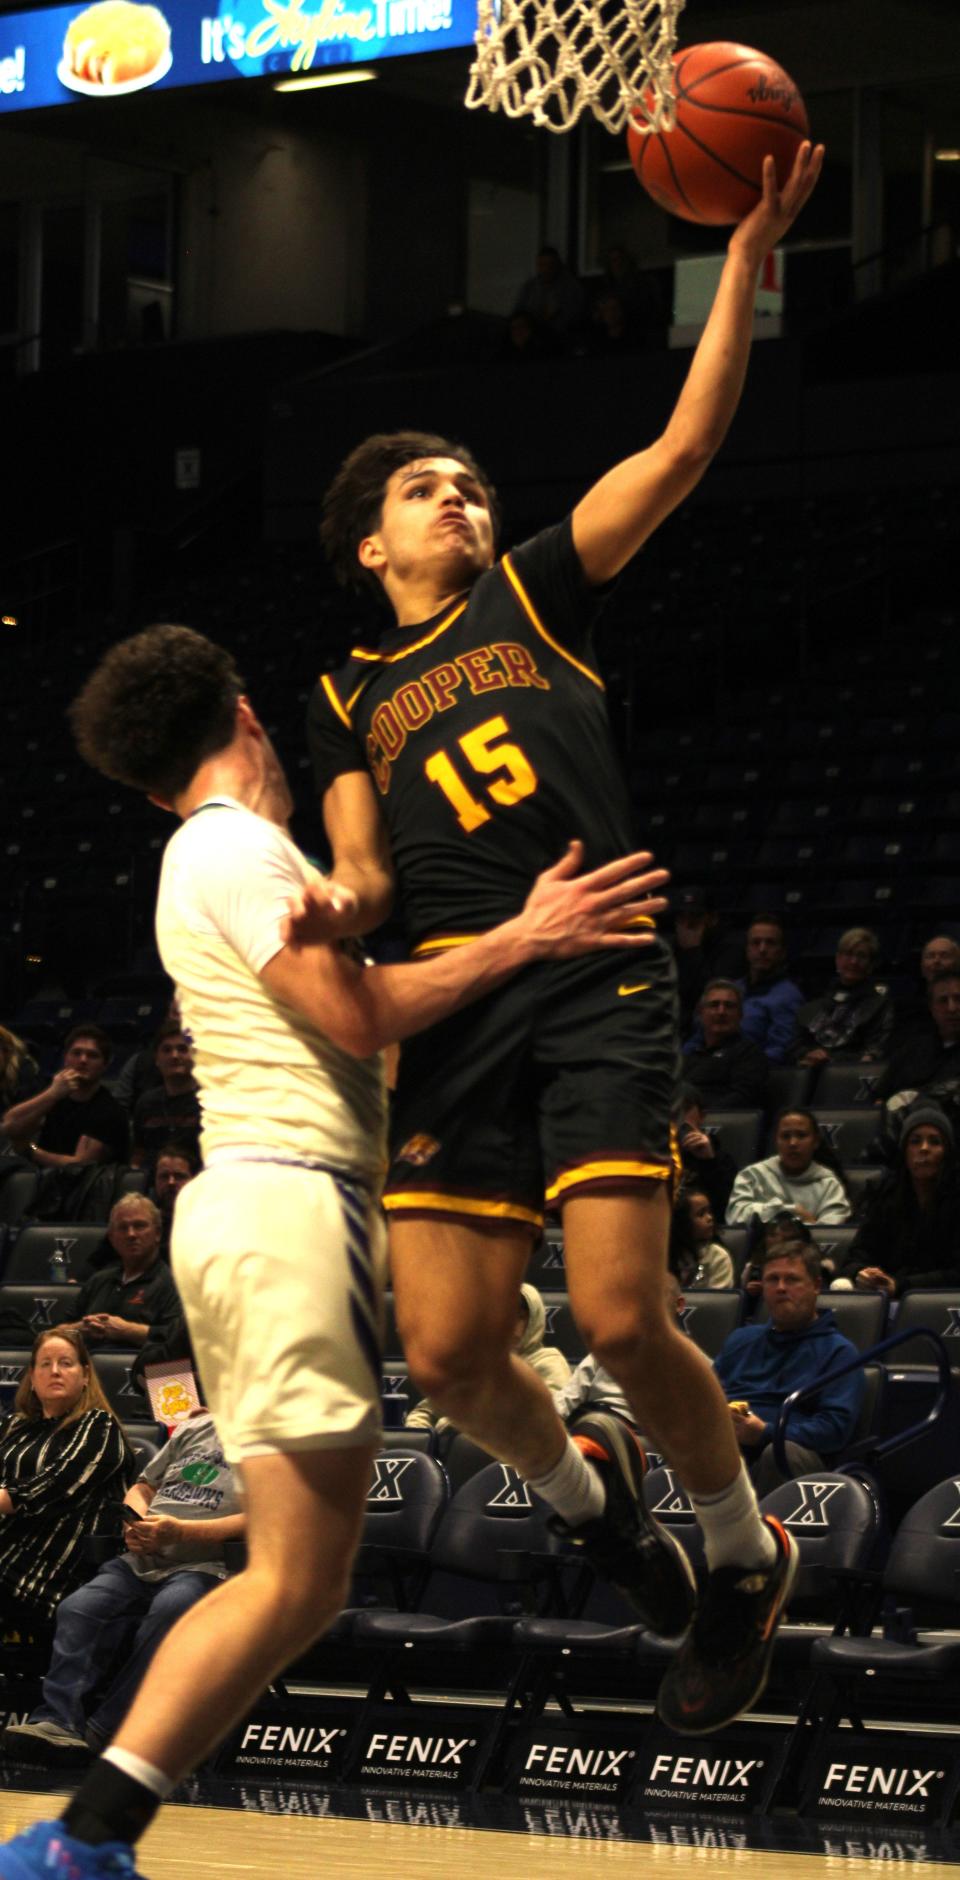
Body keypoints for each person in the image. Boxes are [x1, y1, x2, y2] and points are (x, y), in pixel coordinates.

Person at [0, 619, 671, 1878]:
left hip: (275, 1216)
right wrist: (527, 936)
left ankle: (589, 1490)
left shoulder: (204, 852)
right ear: (249, 719)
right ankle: (76, 1844)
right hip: (286, 1212)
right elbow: (357, 1018)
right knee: (295, 1579)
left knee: (447, 1377)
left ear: (147, 776)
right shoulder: (237, 846)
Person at [309, 143, 821, 1742]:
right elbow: (365, 872)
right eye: (423, 488)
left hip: (594, 967)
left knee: (613, 1314)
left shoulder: (537, 593)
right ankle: (599, 1510)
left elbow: (683, 440)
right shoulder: (349, 695)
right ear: (373, 549)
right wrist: (330, 907)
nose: (461, 496)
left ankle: (741, 1553)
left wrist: (742, 254)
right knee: (448, 1351)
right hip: (466, 1010)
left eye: (469, 480)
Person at [3, 1406, 243, 1764]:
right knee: (80, 1607)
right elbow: (143, 1487)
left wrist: (181, 1532)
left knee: (172, 1609)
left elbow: (268, 1516)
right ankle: (58, 1721)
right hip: (141, 1559)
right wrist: (134, 1522)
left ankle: (108, 1729)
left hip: (207, 1565)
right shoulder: (198, 1426)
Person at [0, 1329, 128, 1628]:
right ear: (31, 1377)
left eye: (66, 1363)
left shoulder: (99, 1425)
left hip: (51, 1567)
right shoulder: (16, 1425)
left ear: (85, 1375)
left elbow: (50, 1489)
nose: (55, 1371)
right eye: (45, 1364)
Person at [714, 1243, 863, 1494]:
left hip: (793, 1455)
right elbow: (705, 1397)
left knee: (780, 1451)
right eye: (772, 1279)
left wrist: (765, 1433)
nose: (781, 1288)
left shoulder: (839, 1352)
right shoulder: (740, 1340)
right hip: (730, 1445)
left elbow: (834, 1430)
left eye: (792, 1279)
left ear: (816, 1286)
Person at [406, 1282, 569, 1432]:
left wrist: (461, 1426)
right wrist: (421, 1436)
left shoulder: (549, 1362)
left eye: (520, 1317)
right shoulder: (474, 1364)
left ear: (534, 1320)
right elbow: (426, 1411)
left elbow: (549, 1420)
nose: (512, 1326)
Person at [833, 1105, 960, 1297]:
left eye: (935, 1142)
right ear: (904, 1151)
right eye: (915, 1141)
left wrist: (900, 1285)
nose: (924, 1149)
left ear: (947, 1152)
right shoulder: (885, 1195)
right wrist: (862, 1273)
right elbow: (856, 1256)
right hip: (887, 1300)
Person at [553, 1273, 687, 1434]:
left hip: (639, 1436)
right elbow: (565, 1402)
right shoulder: (609, 1348)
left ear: (679, 1305)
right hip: (590, 1422)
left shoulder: (692, 1364)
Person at [64, 1196, 182, 1350]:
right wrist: (81, 1328)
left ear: (158, 1233)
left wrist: (128, 1331)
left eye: (139, 1226)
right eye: (123, 1227)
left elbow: (181, 1347)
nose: (131, 1234)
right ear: (112, 1238)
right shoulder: (98, 1280)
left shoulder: (176, 1285)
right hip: (89, 1370)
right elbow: (54, 1334)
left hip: (145, 1371)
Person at [1, 1027, 128, 1170]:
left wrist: (30, 1151)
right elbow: (8, 1126)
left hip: (85, 1188)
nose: (83, 1060)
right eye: (76, 1053)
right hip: (43, 1181)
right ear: (65, 1058)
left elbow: (80, 1166)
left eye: (92, 1055)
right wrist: (51, 1094)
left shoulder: (110, 1111)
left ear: (105, 1065)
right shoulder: (54, 1096)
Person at [726, 1109, 852, 1230]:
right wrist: (790, 1211)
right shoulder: (753, 1175)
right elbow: (735, 1216)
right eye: (785, 1136)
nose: (793, 1143)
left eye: (801, 1135)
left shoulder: (829, 1184)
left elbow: (829, 1235)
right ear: (776, 1141)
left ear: (815, 1141)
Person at [791, 928, 894, 1067]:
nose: (853, 961)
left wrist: (831, 1061)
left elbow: (876, 1051)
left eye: (861, 956)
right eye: (848, 954)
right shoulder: (817, 1000)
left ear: (871, 964)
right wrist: (808, 1053)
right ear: (838, 959)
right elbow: (796, 1045)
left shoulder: (880, 1005)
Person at [875, 970, 960, 1114]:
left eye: (958, 999)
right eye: (943, 1001)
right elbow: (880, 1097)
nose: (952, 1008)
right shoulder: (912, 1048)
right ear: (932, 1008)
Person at [683, 980, 770, 1111]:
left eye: (729, 1006)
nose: (721, 1012)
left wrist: (701, 1115)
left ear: (740, 1015)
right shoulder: (691, 1055)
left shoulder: (749, 1053)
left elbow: (743, 1097)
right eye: (714, 1005)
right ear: (701, 1014)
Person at [129, 1024, 201, 1176]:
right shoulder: (146, 1103)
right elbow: (139, 1153)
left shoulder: (211, 1102)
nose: (174, 1056)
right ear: (157, 1059)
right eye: (167, 1050)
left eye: (182, 1049)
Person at [670, 887, 743, 1034]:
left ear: (712, 919)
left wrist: (693, 951)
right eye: (682, 917)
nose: (688, 924)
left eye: (695, 916)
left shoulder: (730, 949)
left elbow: (713, 994)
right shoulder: (671, 948)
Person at [736, 915, 804, 1063]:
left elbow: (780, 1050)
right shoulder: (733, 989)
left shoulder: (788, 997)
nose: (762, 949)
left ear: (782, 952)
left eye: (770, 943)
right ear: (747, 950)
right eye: (756, 942)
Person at [677, 1085, 737, 1220]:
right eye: (672, 1110)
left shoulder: (720, 1159)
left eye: (685, 1110)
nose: (678, 1117)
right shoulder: (654, 1155)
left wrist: (708, 1161)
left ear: (702, 1116)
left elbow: (724, 1211)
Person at [670, 1188, 734, 1290]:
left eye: (709, 1211)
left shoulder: (718, 1256)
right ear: (683, 1223)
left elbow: (717, 1301)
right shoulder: (666, 1255)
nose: (709, 1218)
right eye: (701, 1214)